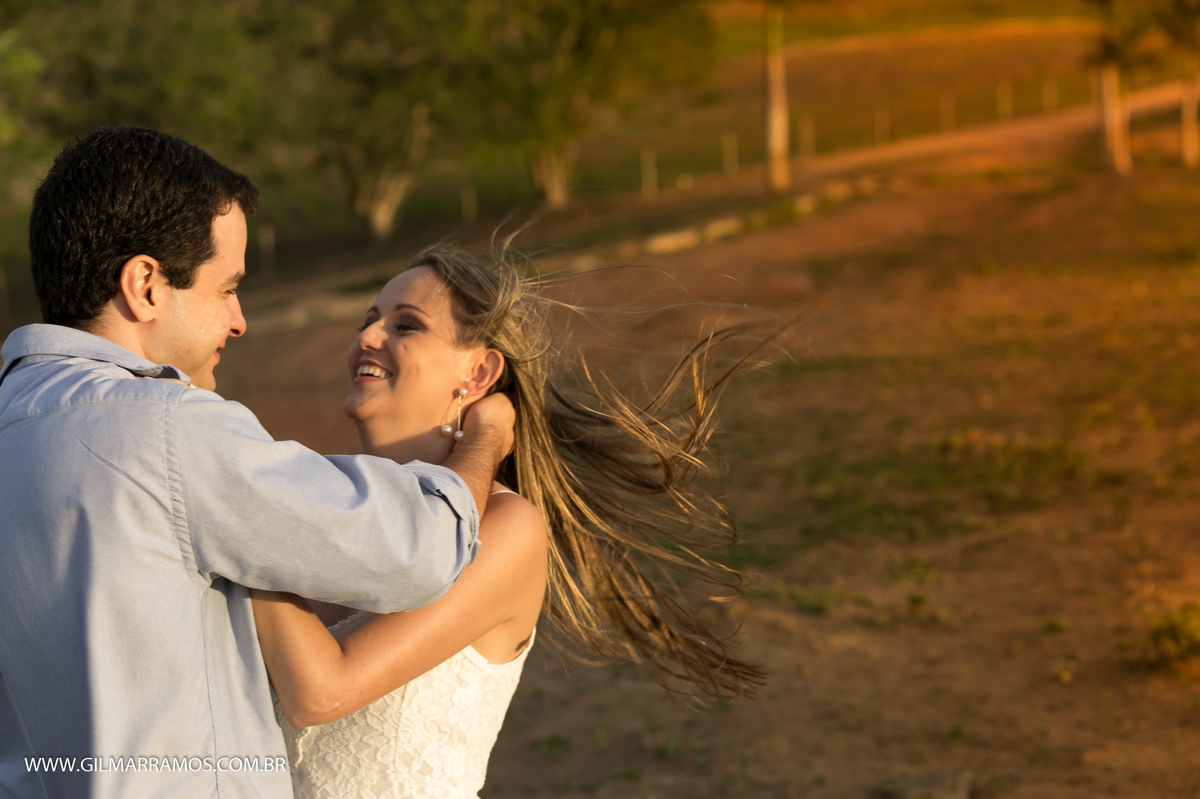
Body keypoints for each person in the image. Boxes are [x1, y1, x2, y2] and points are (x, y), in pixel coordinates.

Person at [0, 127, 513, 799]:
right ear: (146, 285)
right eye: (225, 288)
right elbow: (420, 547)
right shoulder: (166, 428)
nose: (239, 320)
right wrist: (485, 442)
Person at [251, 245, 765, 799]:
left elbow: (322, 692)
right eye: (368, 320)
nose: (368, 339)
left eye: (405, 325)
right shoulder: (330, 502)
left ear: (478, 371)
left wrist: (231, 529)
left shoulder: (508, 527)